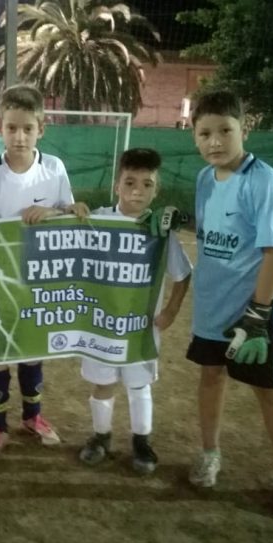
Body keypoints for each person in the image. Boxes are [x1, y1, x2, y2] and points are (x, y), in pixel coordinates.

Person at [186, 89, 273, 521]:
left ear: (243, 128)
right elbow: (210, 233)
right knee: (211, 376)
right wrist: (177, 220)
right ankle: (210, 453)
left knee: (269, 391)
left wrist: (258, 316)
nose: (215, 141)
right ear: (194, 135)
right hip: (212, 308)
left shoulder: (264, 181)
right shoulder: (204, 179)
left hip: (253, 314)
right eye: (205, 133)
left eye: (225, 131)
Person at [0, 84, 89, 464]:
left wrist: (54, 212)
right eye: (12, 128)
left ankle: (33, 417)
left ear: (41, 130)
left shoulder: (54, 169)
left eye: (27, 129)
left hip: (39, 282)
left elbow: (72, 213)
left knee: (32, 352)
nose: (19, 136)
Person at [78, 148, 191, 474]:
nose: (137, 191)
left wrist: (171, 310)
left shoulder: (159, 230)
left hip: (140, 327)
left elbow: (183, 274)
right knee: (103, 383)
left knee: (139, 385)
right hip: (99, 325)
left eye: (147, 184)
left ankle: (142, 442)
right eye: (129, 183)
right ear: (117, 186)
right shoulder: (97, 220)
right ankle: (101, 437)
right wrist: (73, 209)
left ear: (157, 190)